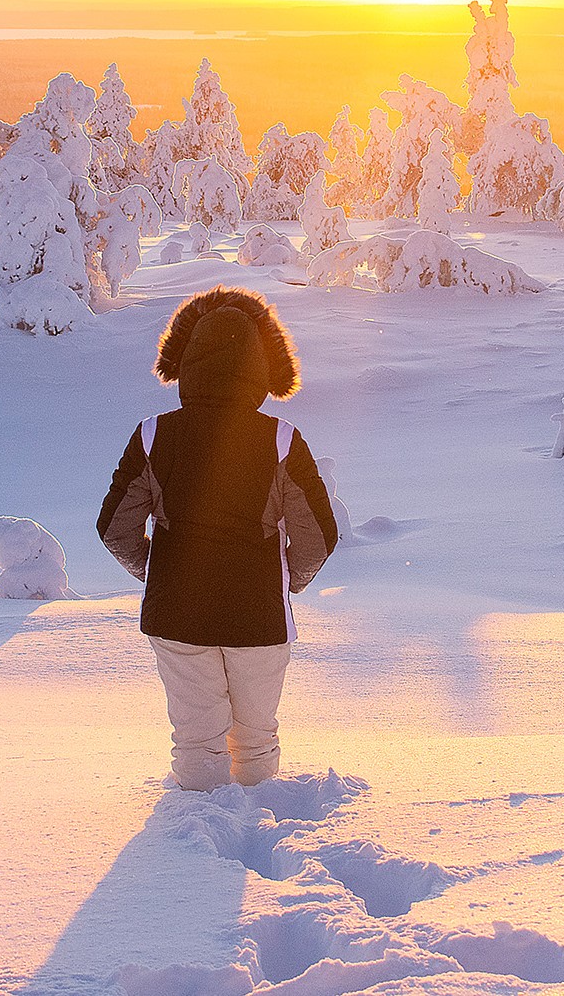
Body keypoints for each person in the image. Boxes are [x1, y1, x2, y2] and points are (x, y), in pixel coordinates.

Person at [97, 286, 338, 792]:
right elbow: (317, 533)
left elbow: (115, 527)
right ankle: (253, 829)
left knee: (197, 741)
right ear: (259, 370)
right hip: (260, 617)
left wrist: (154, 570)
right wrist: (288, 578)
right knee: (254, 738)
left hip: (176, 614)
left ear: (185, 365)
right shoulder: (281, 439)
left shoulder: (153, 434)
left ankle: (196, 848)